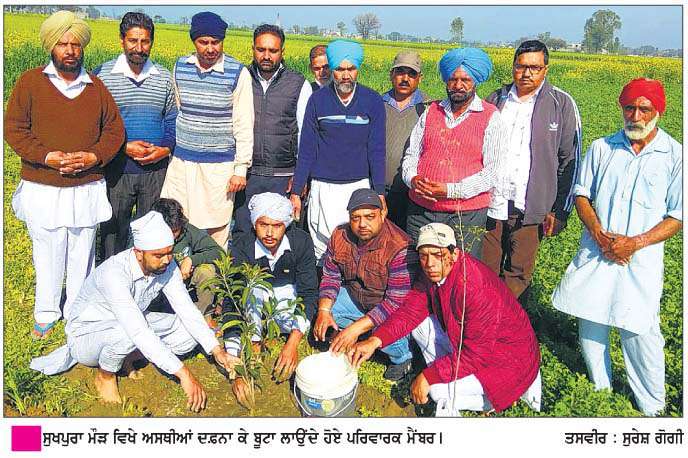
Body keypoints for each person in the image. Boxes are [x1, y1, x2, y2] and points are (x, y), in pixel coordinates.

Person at [552, 78, 682, 416]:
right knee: (591, 317)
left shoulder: (675, 155)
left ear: (658, 111)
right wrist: (598, 235)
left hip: (640, 258)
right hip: (598, 250)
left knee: (640, 328)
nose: (636, 116)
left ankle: (653, 407)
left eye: (644, 109)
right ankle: (601, 392)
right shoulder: (602, 148)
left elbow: (678, 215)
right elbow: (582, 194)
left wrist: (634, 243)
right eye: (629, 108)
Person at [29, 211, 240, 412]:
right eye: (159, 255)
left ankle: (126, 357)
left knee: (187, 333)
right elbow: (136, 329)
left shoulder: (166, 265)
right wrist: (184, 374)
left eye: (169, 252)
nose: (167, 260)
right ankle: (105, 375)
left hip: (127, 325)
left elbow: (186, 308)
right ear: (139, 253)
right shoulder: (114, 274)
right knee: (127, 333)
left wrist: (217, 351)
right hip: (87, 337)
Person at [4, 11, 125, 338]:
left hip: (86, 185)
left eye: (75, 44)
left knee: (82, 250)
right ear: (51, 46)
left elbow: (114, 131)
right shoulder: (30, 83)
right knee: (47, 249)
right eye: (63, 44)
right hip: (43, 185)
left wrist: (93, 156)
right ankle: (46, 312)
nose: (70, 50)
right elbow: (14, 129)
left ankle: (77, 311)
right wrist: (47, 157)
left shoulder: (95, 87)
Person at [349, 223, 541, 416]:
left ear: (454, 254)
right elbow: (410, 312)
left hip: (507, 360)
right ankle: (449, 373)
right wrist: (375, 341)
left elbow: (476, 355)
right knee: (419, 325)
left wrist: (428, 377)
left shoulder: (474, 289)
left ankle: (490, 400)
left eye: (438, 254)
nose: (430, 263)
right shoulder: (434, 272)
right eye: (423, 255)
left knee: (436, 390)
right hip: (475, 345)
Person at [482, 40, 581, 300]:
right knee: (485, 270)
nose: (527, 73)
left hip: (532, 206)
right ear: (513, 67)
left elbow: (570, 160)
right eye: (521, 66)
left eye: (534, 68)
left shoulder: (561, 103)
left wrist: (561, 210)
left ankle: (508, 320)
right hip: (492, 202)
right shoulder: (495, 99)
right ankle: (484, 318)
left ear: (545, 69)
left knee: (518, 274)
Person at [401, 48, 507, 259]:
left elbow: (493, 172)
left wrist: (450, 190)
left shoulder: (490, 116)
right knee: (419, 266)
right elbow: (412, 154)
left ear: (475, 81)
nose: (458, 85)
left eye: (465, 80)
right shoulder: (431, 111)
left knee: (461, 269)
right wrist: (413, 179)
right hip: (421, 210)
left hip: (465, 214)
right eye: (453, 79)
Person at [160, 11, 254, 249]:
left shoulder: (237, 72)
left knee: (216, 227)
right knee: (174, 222)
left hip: (219, 167)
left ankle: (212, 272)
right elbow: (177, 110)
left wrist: (240, 169)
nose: (210, 48)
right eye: (204, 42)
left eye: (216, 42)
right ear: (194, 41)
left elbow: (244, 122)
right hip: (182, 163)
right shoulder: (180, 67)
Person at [291, 40, 386, 263]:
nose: (345, 75)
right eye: (339, 69)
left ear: (358, 69)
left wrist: (380, 192)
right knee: (322, 248)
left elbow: (377, 149)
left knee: (356, 246)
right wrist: (296, 191)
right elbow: (307, 148)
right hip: (323, 186)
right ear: (332, 70)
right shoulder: (318, 100)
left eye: (350, 69)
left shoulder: (372, 100)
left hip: (358, 186)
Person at [95, 12, 178, 259]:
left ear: (152, 42)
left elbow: (172, 120)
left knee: (151, 232)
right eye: (133, 41)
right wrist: (123, 147)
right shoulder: (102, 75)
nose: (139, 48)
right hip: (118, 169)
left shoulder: (164, 77)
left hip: (155, 171)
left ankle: (145, 281)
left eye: (145, 41)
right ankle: (111, 277)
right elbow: (96, 124)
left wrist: (165, 148)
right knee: (113, 231)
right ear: (122, 40)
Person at [315, 189, 418, 381]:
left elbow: (395, 303)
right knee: (326, 308)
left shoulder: (400, 247)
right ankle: (361, 333)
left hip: (391, 311)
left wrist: (355, 329)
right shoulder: (339, 235)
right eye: (356, 218)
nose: (362, 224)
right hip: (357, 298)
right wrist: (323, 311)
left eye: (370, 217)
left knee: (386, 333)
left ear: (383, 213)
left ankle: (404, 357)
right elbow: (331, 276)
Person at [227, 192, 318, 407]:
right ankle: (255, 342)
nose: (269, 233)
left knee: (294, 315)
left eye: (276, 226)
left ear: (285, 225)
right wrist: (235, 365)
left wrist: (292, 343)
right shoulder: (242, 246)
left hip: (287, 299)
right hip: (256, 301)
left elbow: (308, 293)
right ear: (254, 224)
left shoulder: (301, 242)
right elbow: (233, 299)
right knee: (253, 288)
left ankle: (278, 332)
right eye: (263, 225)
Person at [232, 24, 312, 238]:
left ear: (282, 51)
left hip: (283, 178)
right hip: (246, 176)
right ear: (252, 49)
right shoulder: (240, 79)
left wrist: (300, 178)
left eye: (273, 50)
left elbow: (306, 136)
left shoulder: (298, 84)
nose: (266, 56)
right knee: (243, 235)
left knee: (281, 236)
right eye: (261, 49)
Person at [150, 198, 224, 327]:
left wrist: (191, 260)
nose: (171, 236)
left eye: (175, 231)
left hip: (185, 282)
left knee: (207, 271)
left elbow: (218, 252)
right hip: (157, 285)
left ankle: (203, 317)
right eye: (167, 231)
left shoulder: (187, 231)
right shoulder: (145, 236)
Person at [382, 51, 431, 231]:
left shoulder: (429, 108)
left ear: (420, 78)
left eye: (411, 74)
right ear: (391, 74)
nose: (405, 78)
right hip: (379, 190)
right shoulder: (377, 104)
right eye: (400, 72)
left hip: (411, 193)